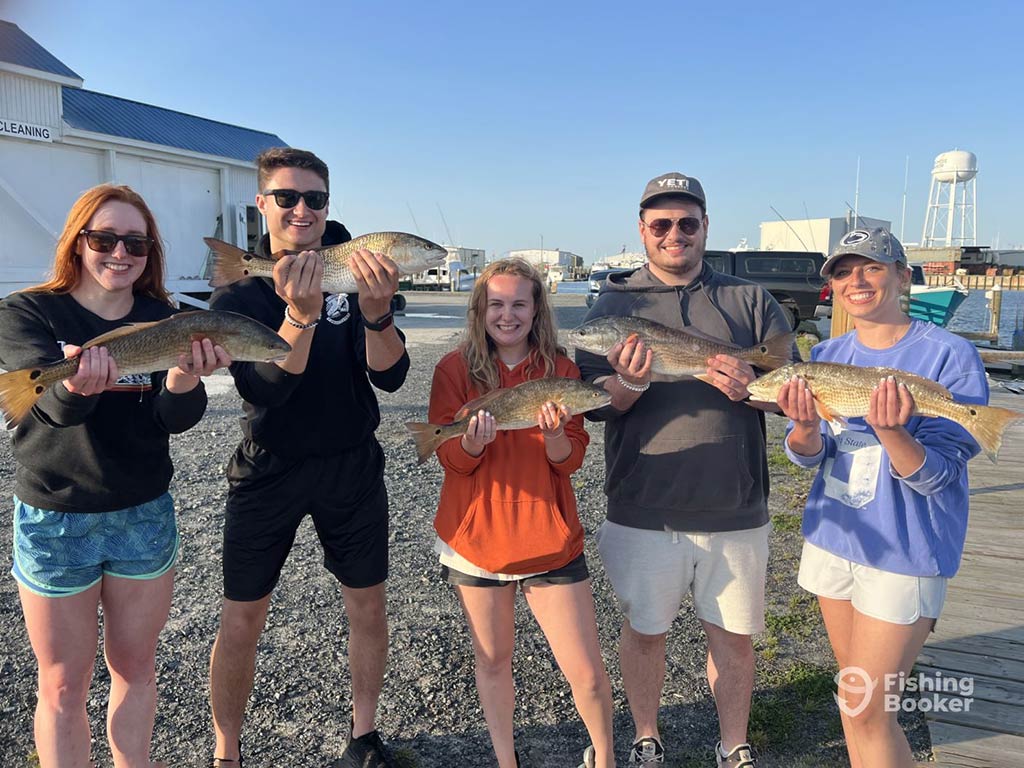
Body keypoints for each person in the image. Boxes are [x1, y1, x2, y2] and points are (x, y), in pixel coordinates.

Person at [0, 184, 229, 768]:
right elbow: (40, 410)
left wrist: (182, 381)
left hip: (141, 512)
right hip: (57, 515)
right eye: (104, 239)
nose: (119, 253)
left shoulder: (168, 320)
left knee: (136, 668)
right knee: (60, 686)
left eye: (137, 242)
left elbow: (170, 421)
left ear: (151, 252)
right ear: (77, 243)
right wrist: (74, 386)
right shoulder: (28, 313)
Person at [576, 173, 794, 767]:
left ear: (705, 227)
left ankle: (734, 745)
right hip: (643, 502)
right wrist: (629, 382)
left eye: (687, 223)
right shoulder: (613, 306)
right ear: (641, 228)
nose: (675, 234)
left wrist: (755, 390)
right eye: (661, 224)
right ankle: (646, 736)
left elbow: (792, 391)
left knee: (734, 636)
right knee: (645, 631)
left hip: (736, 502)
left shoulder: (752, 301)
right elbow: (593, 404)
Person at [207, 147, 408, 768]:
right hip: (270, 462)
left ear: (328, 205)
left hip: (351, 459)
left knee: (367, 603)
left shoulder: (355, 265)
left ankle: (364, 734)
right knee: (243, 612)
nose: (302, 209)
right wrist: (300, 316)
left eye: (314, 199)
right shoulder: (239, 296)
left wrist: (376, 317)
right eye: (287, 197)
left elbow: (393, 376)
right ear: (262, 203)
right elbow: (265, 389)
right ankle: (226, 750)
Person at [776, 228, 986, 768]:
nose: (856, 281)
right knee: (856, 704)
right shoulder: (825, 352)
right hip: (834, 537)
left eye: (871, 267)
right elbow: (810, 455)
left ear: (902, 276)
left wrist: (894, 431)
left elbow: (941, 475)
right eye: (843, 272)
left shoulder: (949, 355)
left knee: (868, 709)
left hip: (906, 550)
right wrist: (802, 425)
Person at [427, 259, 615, 768]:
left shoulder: (563, 370)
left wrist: (556, 433)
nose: (507, 315)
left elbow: (571, 461)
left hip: (549, 541)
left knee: (588, 672)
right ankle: (506, 760)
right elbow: (450, 460)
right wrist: (469, 444)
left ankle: (606, 757)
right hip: (476, 542)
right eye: (496, 304)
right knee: (493, 660)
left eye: (518, 304)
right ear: (480, 309)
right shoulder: (453, 369)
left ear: (536, 310)